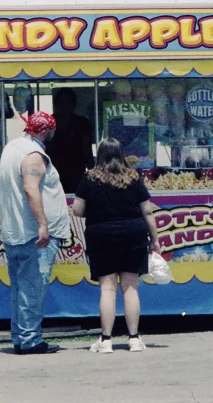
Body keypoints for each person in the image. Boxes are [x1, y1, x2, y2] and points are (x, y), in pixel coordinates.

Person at [72, 138, 161, 354]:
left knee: (107, 288)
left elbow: (77, 210)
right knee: (130, 287)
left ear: (99, 155)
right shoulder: (133, 178)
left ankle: (106, 340)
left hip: (101, 235)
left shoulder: (89, 179)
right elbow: (147, 211)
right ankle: (134, 339)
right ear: (121, 154)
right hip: (133, 233)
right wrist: (155, 240)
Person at [0, 111, 71, 355]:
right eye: (52, 129)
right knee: (33, 288)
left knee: (20, 288)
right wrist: (43, 225)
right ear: (43, 130)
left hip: (14, 231)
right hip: (33, 235)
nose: (54, 133)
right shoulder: (34, 156)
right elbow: (31, 189)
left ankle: (20, 337)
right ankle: (30, 340)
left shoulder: (12, 148)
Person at [44, 88, 94, 194]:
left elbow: (87, 148)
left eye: (69, 103)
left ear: (74, 104)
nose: (65, 107)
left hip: (76, 170)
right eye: (62, 103)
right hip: (53, 170)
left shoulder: (82, 123)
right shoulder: (50, 122)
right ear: (56, 105)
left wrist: (92, 171)